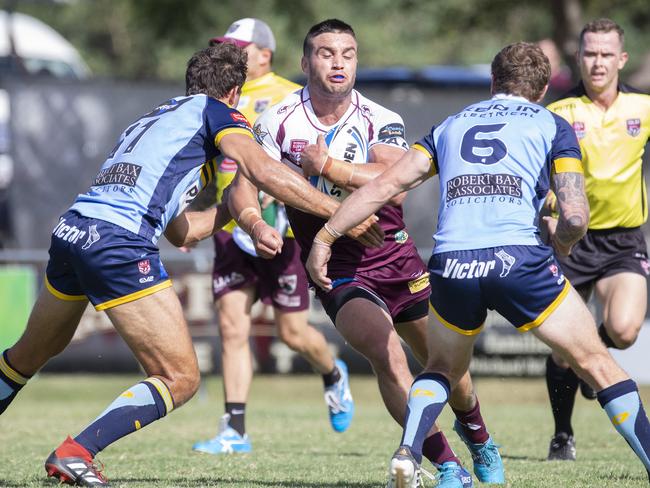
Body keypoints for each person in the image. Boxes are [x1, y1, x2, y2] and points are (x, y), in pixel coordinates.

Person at [0, 43, 382, 487]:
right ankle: (76, 453)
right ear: (235, 93)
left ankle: (68, 445)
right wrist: (339, 216)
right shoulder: (216, 112)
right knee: (180, 378)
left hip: (75, 230)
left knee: (26, 357)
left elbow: (184, 232)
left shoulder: (156, 120)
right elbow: (260, 169)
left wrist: (229, 207)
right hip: (117, 243)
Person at [304, 41, 650, 487]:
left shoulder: (450, 124)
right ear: (543, 88)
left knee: (440, 370)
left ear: (492, 83)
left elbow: (383, 187)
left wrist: (326, 238)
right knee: (597, 363)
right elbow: (576, 214)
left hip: (451, 263)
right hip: (518, 260)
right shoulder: (553, 123)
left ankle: (409, 450)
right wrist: (563, 240)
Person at [230, 19, 504, 487]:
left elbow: (395, 186)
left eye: (348, 54)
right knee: (387, 355)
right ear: (304, 62)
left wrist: (328, 167)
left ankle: (478, 438)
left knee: (449, 367)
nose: (338, 62)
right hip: (336, 266)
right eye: (325, 52)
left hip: (395, 257)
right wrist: (255, 223)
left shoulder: (379, 117)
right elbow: (242, 187)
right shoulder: (277, 120)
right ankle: (448, 465)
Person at [191, 18, 354, 457]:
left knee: (292, 333)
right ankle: (235, 430)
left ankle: (332, 373)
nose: (230, 53)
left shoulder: (290, 95)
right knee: (231, 327)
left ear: (265, 54)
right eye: (225, 46)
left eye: (238, 47)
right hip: (233, 223)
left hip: (283, 226)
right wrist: (191, 219)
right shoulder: (218, 98)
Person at [544, 18, 650, 461]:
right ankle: (562, 434)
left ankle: (594, 363)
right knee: (565, 350)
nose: (598, 62)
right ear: (579, 58)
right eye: (590, 53)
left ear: (621, 59)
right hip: (571, 241)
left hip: (625, 241)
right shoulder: (558, 113)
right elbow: (537, 179)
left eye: (607, 54)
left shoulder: (643, 108)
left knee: (624, 331)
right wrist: (547, 216)